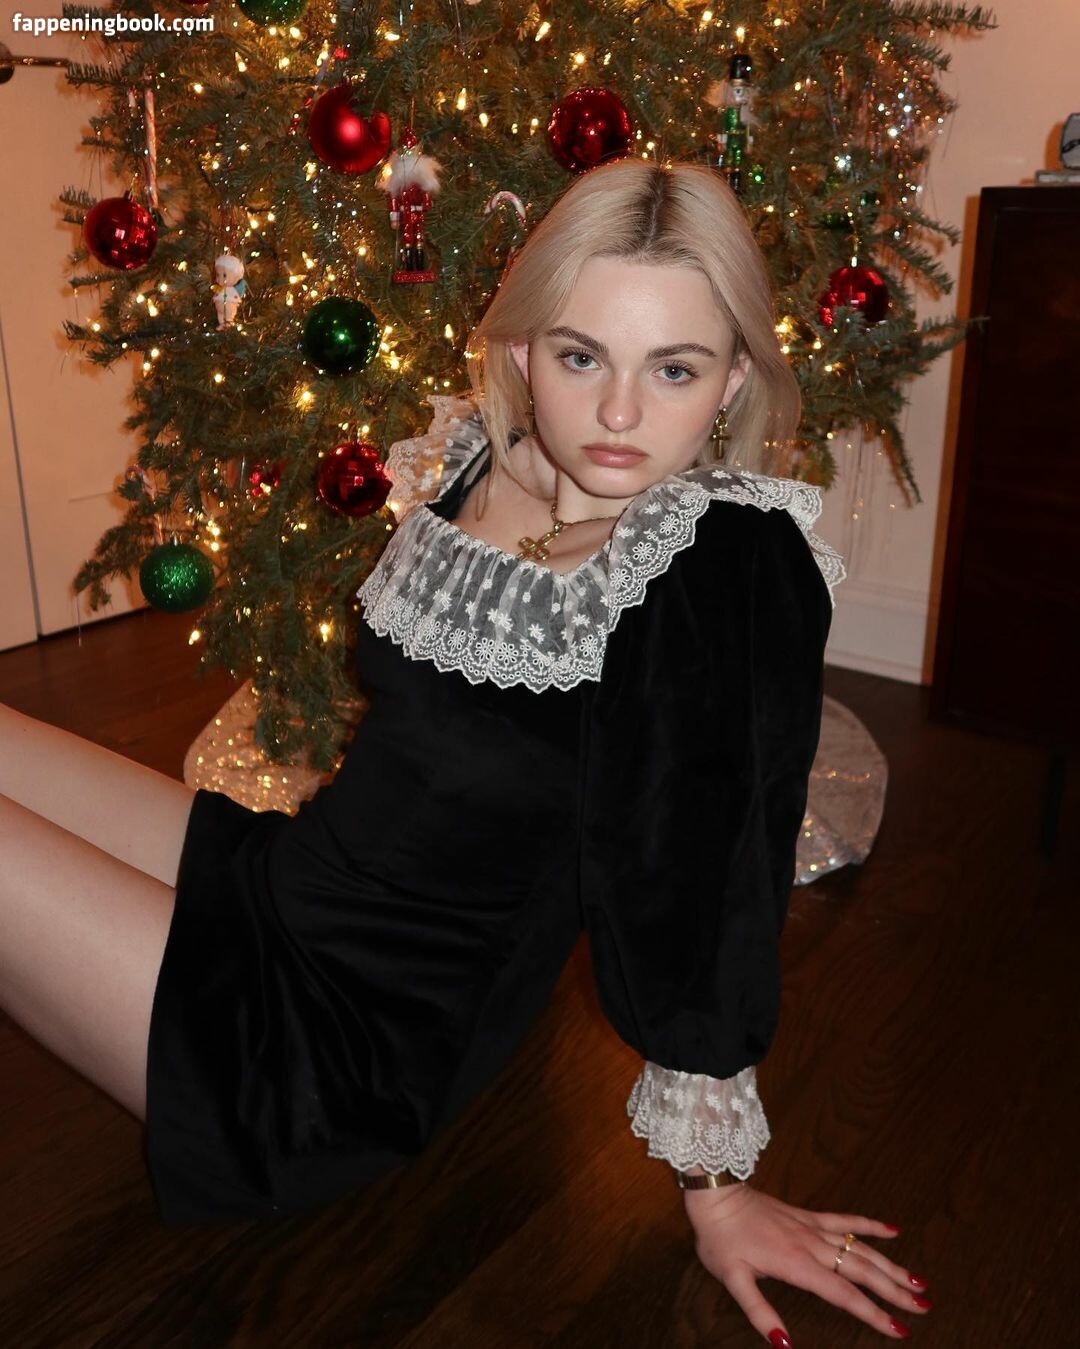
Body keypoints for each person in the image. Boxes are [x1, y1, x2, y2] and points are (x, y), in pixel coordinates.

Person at [0, 158, 929, 1344]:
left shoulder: (718, 567)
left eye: (675, 368)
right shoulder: (477, 458)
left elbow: (703, 885)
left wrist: (720, 1188)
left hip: (337, 1052)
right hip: (287, 884)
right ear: (526, 347)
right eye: (582, 356)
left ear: (734, 376)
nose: (619, 415)